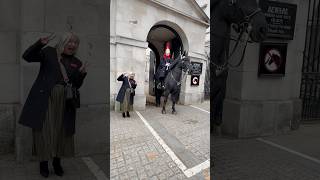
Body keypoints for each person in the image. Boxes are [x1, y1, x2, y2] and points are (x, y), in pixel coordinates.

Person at [19, 32, 88, 178]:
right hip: (45, 100)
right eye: (70, 41)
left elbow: (76, 85)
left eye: (76, 43)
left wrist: (81, 74)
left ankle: (57, 163)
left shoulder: (77, 62)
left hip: (65, 102)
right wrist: (39, 44)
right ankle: (43, 165)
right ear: (63, 41)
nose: (73, 45)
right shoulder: (49, 52)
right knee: (44, 132)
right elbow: (27, 56)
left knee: (61, 133)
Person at [154, 41, 173, 106]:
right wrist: (166, 65)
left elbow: (172, 64)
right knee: (162, 72)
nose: (168, 53)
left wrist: (170, 65)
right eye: (167, 52)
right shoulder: (162, 58)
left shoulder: (170, 59)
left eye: (169, 52)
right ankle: (159, 84)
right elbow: (161, 64)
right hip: (162, 71)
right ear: (165, 52)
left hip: (168, 71)